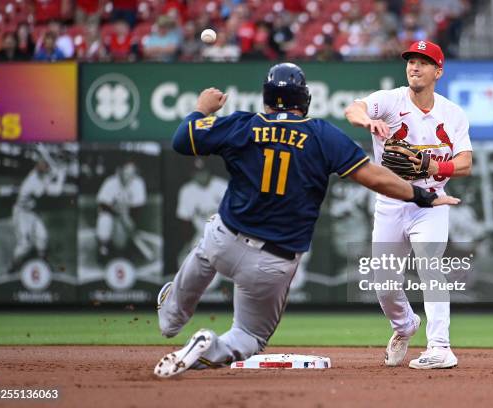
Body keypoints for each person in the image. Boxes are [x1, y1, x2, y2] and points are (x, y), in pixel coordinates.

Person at [154, 62, 460, 377]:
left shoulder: (242, 124)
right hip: (274, 259)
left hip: (225, 237)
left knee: (205, 251)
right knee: (248, 336)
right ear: (306, 99)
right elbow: (376, 178)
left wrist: (201, 111)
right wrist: (422, 195)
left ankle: (172, 316)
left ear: (266, 98)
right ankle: (210, 345)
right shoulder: (321, 135)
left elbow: (182, 140)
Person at [345, 40, 473, 369]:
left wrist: (435, 167)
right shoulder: (390, 101)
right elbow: (353, 108)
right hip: (390, 201)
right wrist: (366, 122)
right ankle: (404, 326)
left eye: (424, 62)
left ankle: (440, 346)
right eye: (411, 61)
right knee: (384, 283)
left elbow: (465, 163)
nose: (415, 67)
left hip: (431, 202)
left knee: (431, 265)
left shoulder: (452, 114)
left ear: (438, 71)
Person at [10, 155, 66, 272]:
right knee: (25, 244)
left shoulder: (37, 173)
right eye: (45, 167)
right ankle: (14, 266)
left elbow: (47, 176)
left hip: (33, 212)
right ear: (38, 168)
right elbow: (56, 191)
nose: (47, 170)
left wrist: (53, 172)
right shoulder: (33, 182)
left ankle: (42, 262)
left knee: (43, 237)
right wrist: (61, 176)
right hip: (22, 214)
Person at [95, 161, 147, 264]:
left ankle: (129, 244)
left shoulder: (138, 183)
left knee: (122, 243)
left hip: (127, 215)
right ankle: (103, 247)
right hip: (110, 214)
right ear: (120, 172)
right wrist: (117, 212)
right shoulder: (110, 182)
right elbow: (102, 205)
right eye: (126, 173)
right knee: (103, 221)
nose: (129, 177)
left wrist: (129, 221)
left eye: (132, 174)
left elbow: (138, 209)